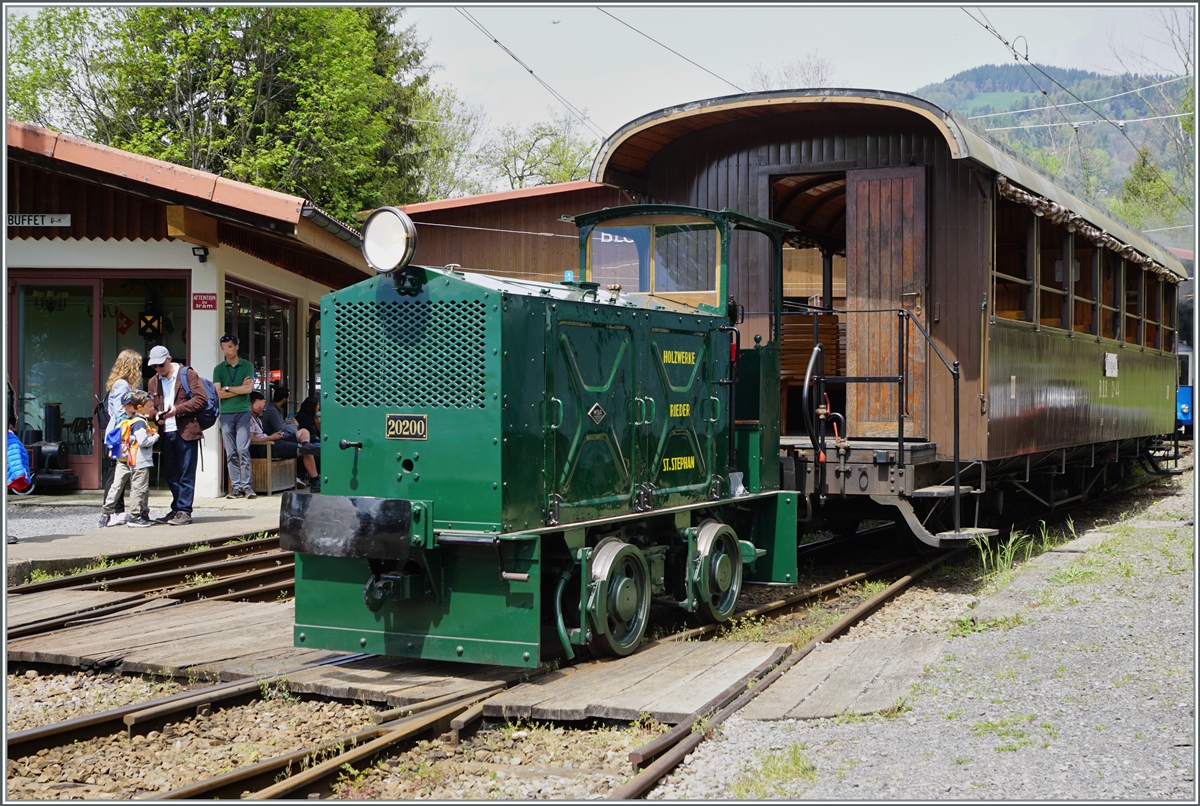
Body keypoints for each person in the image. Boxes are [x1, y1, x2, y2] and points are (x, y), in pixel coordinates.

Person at [145, 345, 208, 526]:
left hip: (187, 431)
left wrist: (177, 410)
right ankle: (176, 508)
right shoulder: (153, 382)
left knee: (186, 473)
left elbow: (200, 400)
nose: (158, 369)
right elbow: (149, 407)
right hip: (166, 433)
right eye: (154, 366)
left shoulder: (187, 374)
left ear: (169, 358)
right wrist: (155, 415)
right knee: (172, 474)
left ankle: (184, 510)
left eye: (160, 365)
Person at [100, 391, 159, 528]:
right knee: (139, 488)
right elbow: (142, 441)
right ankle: (137, 515)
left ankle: (106, 513)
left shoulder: (122, 420)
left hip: (123, 457)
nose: (131, 407)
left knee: (117, 485)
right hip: (136, 459)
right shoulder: (139, 421)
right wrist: (155, 437)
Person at [99, 349, 143, 526]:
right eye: (137, 365)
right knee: (115, 475)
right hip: (118, 436)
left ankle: (116, 511)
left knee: (118, 474)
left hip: (117, 435)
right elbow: (119, 411)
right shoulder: (122, 385)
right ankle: (111, 513)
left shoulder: (120, 384)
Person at [249, 391, 319, 492]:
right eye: (258, 405)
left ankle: (305, 444)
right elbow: (251, 440)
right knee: (306, 451)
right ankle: (315, 481)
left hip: (274, 441)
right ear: (250, 404)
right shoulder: (249, 418)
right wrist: (270, 437)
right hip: (267, 446)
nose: (261, 408)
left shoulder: (258, 419)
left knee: (304, 432)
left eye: (262, 405)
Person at [214, 335, 255, 499]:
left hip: (243, 411)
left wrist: (228, 387)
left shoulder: (247, 366)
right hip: (225, 414)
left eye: (229, 347)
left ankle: (247, 487)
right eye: (223, 347)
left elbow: (249, 390)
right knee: (230, 451)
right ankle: (236, 487)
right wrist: (238, 388)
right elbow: (218, 393)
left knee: (243, 449)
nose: (226, 351)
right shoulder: (218, 369)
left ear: (236, 347)